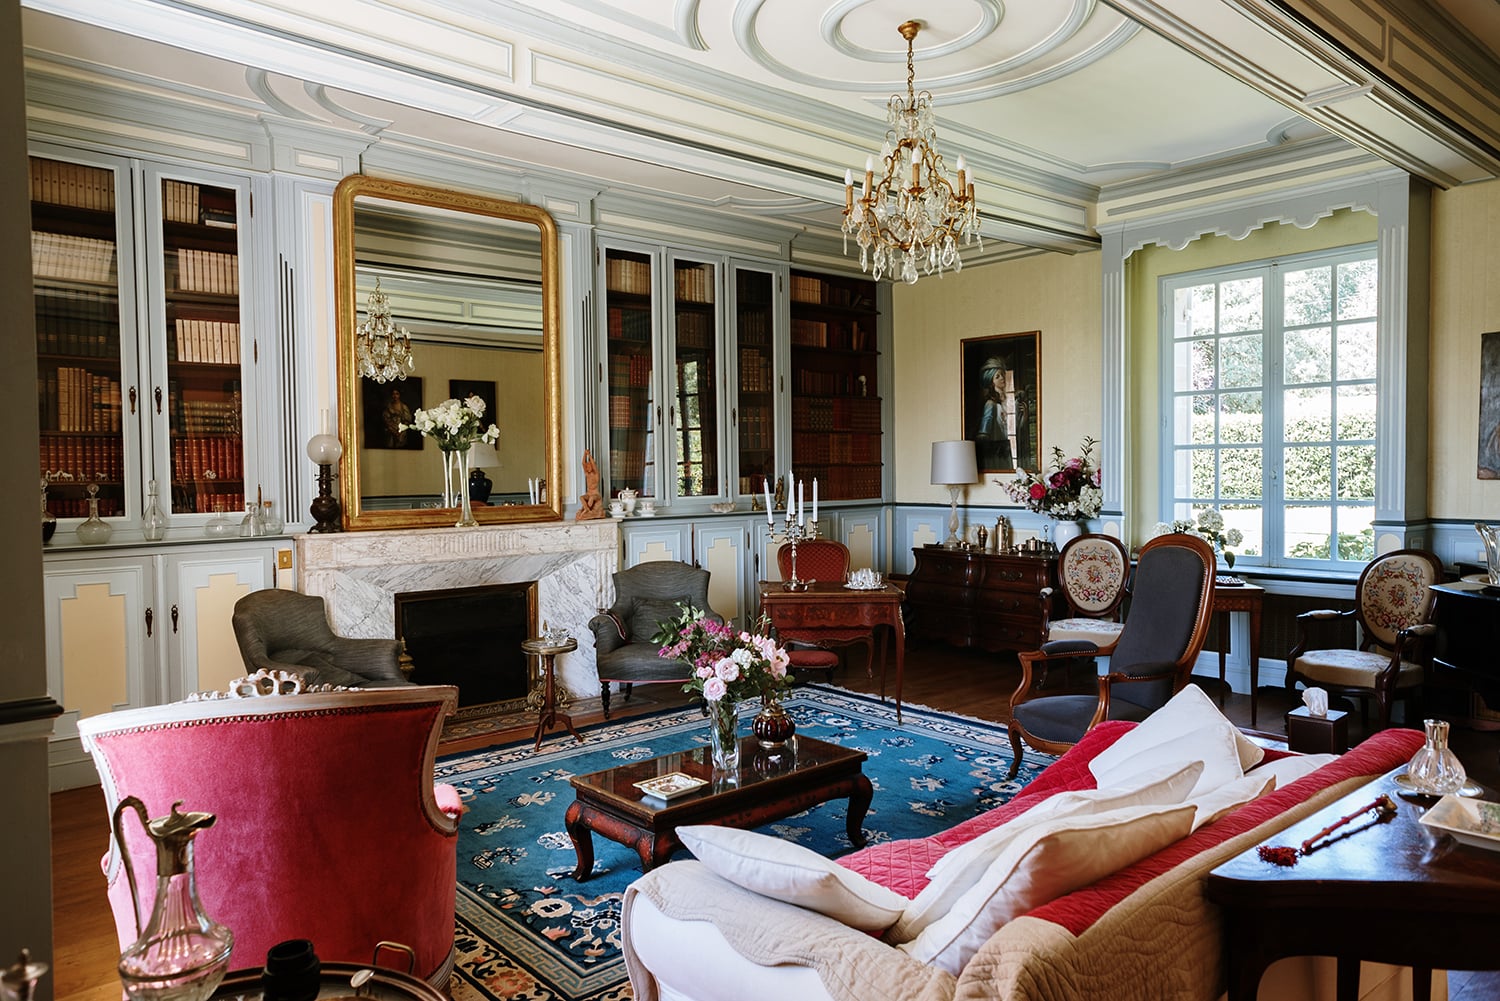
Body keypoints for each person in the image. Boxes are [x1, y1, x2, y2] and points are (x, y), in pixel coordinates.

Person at [975, 356, 1014, 471]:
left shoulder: (1007, 402)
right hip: (997, 449)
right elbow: (984, 431)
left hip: (1006, 447)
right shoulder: (990, 404)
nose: (1002, 378)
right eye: (997, 376)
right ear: (991, 382)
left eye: (1002, 374)